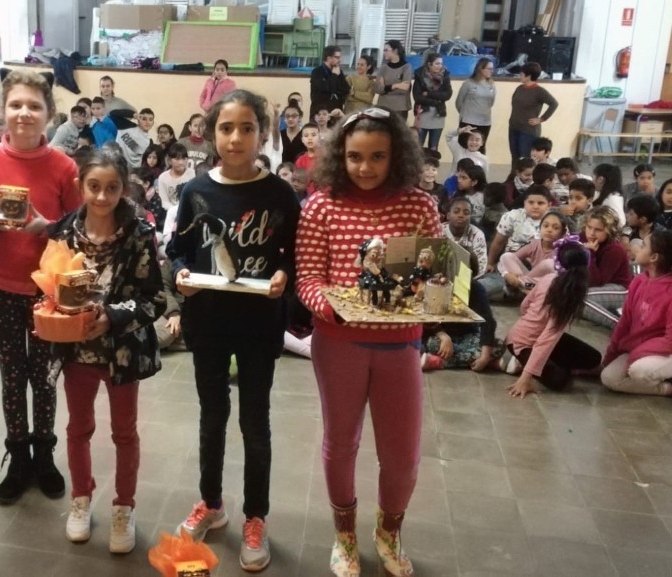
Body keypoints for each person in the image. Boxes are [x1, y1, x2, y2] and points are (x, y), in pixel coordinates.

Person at [295, 106, 441, 577]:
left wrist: (443, 301)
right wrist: (332, 306)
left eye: (378, 156)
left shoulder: (419, 206)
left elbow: (437, 277)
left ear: (397, 156)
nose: (365, 167)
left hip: (401, 346)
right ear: (340, 156)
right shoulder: (320, 206)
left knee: (402, 454)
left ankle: (388, 532)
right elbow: (308, 278)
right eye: (355, 156)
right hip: (338, 344)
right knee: (341, 443)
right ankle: (345, 536)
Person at [169, 89, 300, 573]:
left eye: (247, 128)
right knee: (212, 417)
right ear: (211, 133)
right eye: (226, 128)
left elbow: (294, 256)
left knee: (255, 423)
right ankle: (211, 503)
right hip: (208, 321)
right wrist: (181, 275)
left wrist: (284, 277)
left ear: (262, 134)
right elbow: (179, 250)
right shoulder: (196, 191)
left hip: (259, 325)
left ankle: (255, 517)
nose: (236, 138)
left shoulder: (280, 194)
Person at [0, 70, 82, 506]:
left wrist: (46, 227)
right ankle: (18, 456)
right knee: (12, 375)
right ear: (3, 111)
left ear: (49, 114)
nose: (24, 113)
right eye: (16, 104)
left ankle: (44, 454)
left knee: (45, 377)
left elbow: (78, 229)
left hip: (47, 292)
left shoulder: (64, 167)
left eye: (34, 106)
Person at [49, 148, 165, 554]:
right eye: (94, 186)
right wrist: (56, 312)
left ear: (123, 189)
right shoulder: (64, 232)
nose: (102, 196)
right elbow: (49, 287)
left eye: (112, 188)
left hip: (122, 354)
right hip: (77, 352)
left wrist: (113, 317)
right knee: (78, 428)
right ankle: (81, 497)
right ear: (80, 186)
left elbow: (154, 299)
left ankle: (123, 506)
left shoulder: (139, 234)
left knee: (124, 432)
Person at [601, 230, 672, 397]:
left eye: (643, 246)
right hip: (641, 349)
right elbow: (625, 321)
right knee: (608, 378)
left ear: (654, 257)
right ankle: (670, 386)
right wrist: (612, 352)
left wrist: (637, 354)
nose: (638, 248)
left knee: (638, 371)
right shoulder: (639, 281)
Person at [503, 237, 602, 397]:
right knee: (560, 381)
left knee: (594, 358)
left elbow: (524, 306)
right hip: (521, 342)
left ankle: (537, 363)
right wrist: (526, 378)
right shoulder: (555, 286)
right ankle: (521, 363)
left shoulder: (561, 286)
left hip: (540, 338)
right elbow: (546, 340)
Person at [580, 206, 633, 329]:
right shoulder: (582, 238)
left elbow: (595, 282)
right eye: (589, 227)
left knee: (581, 299)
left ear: (609, 230)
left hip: (620, 290)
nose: (591, 233)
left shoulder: (614, 250)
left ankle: (620, 327)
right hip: (596, 286)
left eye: (598, 230)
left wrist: (589, 254)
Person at [497, 209, 569, 298]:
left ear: (562, 233)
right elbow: (512, 259)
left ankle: (521, 287)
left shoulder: (563, 250)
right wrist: (506, 274)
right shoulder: (534, 244)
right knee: (506, 256)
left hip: (545, 285)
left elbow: (562, 278)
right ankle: (521, 286)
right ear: (540, 228)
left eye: (555, 228)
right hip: (529, 282)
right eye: (546, 226)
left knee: (549, 264)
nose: (549, 230)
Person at [508, 62, 558, 161]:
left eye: (522, 74)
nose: (520, 75)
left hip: (528, 131)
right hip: (514, 127)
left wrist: (541, 119)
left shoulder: (539, 91)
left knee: (526, 158)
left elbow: (554, 104)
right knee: (515, 157)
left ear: (529, 76)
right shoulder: (519, 88)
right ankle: (514, 172)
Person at [412, 53, 452, 150]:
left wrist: (429, 94)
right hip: (423, 114)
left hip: (438, 114)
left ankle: (431, 161)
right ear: (429, 64)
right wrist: (436, 102)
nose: (440, 66)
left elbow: (447, 95)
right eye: (437, 64)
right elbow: (418, 97)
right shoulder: (420, 75)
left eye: (441, 63)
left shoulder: (445, 76)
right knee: (418, 146)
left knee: (433, 147)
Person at [455, 58, 496, 149]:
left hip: (485, 122)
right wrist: (466, 114)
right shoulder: (468, 83)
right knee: (464, 147)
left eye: (492, 69)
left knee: (480, 147)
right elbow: (459, 102)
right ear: (481, 69)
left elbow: (491, 102)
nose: (491, 71)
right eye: (489, 69)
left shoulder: (491, 85)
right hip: (469, 121)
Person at [444, 196, 488, 278]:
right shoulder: (439, 231)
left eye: (466, 213)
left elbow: (481, 268)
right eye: (456, 212)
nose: (461, 215)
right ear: (448, 215)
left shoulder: (477, 234)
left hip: (468, 279)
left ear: (471, 217)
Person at [374, 40, 413, 122]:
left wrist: (385, 88)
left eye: (386, 50)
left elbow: (404, 90)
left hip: (400, 107)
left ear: (395, 50)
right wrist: (396, 86)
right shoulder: (383, 68)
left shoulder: (406, 67)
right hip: (383, 107)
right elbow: (378, 89)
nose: (384, 53)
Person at [310, 46, 347, 121]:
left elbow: (346, 89)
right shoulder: (317, 72)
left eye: (339, 57)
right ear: (329, 58)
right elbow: (325, 88)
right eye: (337, 57)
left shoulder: (339, 71)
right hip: (320, 112)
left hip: (336, 112)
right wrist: (334, 76)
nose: (339, 60)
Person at [592, 163, 626, 228]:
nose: (592, 180)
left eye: (593, 177)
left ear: (600, 179)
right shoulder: (616, 195)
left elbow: (620, 222)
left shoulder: (611, 199)